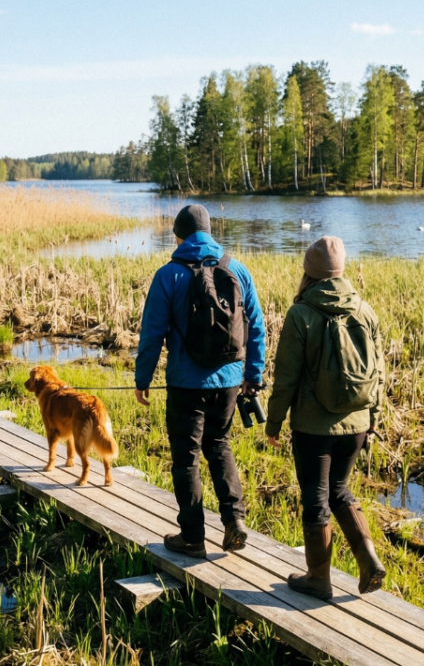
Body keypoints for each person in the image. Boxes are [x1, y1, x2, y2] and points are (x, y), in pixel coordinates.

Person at [135, 204, 266, 558]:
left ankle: (193, 537)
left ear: (178, 236)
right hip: (228, 382)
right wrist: (252, 376)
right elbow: (256, 328)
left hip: (185, 383)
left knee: (186, 459)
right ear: (209, 232)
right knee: (220, 445)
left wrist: (142, 378)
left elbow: (152, 333)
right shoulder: (237, 270)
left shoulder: (168, 275)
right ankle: (234, 521)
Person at [265, 236, 387, 600]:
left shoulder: (300, 314)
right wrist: (374, 417)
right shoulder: (365, 310)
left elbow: (286, 378)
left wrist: (273, 423)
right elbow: (379, 373)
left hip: (313, 427)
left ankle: (318, 579)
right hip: (357, 424)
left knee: (317, 499)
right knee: (339, 490)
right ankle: (369, 558)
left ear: (309, 271)